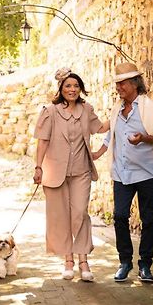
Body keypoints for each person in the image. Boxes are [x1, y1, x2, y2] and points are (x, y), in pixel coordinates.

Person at [92, 62, 153, 283]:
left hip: (147, 173)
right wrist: (98, 153)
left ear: (135, 83)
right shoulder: (117, 108)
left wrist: (144, 138)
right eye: (117, 84)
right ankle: (125, 262)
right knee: (119, 216)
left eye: (122, 83)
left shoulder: (151, 109)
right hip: (122, 173)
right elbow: (111, 135)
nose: (118, 87)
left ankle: (145, 265)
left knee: (147, 220)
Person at [33, 68, 109, 281]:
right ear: (61, 88)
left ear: (80, 88)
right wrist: (38, 167)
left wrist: (118, 113)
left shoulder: (87, 110)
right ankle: (69, 260)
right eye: (68, 86)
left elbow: (101, 128)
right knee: (62, 217)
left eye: (76, 86)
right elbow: (43, 141)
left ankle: (84, 261)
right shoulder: (50, 111)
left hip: (81, 170)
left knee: (79, 213)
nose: (72, 89)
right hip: (56, 171)